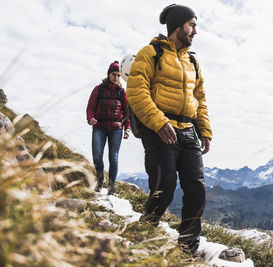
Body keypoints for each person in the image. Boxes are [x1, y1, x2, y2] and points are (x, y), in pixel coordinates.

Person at [126, 4, 212, 254]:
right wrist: (159, 122)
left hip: (188, 131)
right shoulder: (150, 53)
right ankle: (143, 233)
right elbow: (136, 91)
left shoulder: (192, 62)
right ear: (178, 26)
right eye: (192, 25)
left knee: (197, 189)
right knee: (164, 189)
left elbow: (200, 98)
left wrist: (205, 130)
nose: (195, 30)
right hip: (159, 129)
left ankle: (187, 247)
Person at [86, 61, 130, 195]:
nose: (116, 77)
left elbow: (127, 112)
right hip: (99, 127)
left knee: (114, 157)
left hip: (116, 129)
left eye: (118, 75)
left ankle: (112, 187)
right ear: (108, 74)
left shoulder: (122, 92)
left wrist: (127, 128)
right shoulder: (98, 89)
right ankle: (100, 180)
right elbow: (90, 107)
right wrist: (90, 118)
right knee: (97, 156)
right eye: (113, 74)